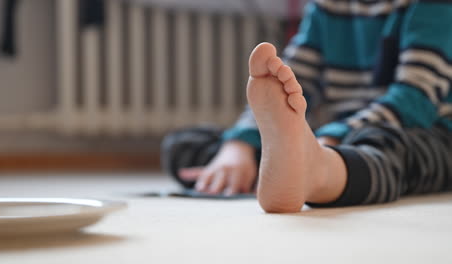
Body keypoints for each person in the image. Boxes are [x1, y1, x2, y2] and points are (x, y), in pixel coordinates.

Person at [162, 0, 452, 212]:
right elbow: (288, 83)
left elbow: (414, 102)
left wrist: (330, 138)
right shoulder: (325, 6)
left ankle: (317, 170)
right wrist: (238, 146)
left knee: (390, 150)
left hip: (423, 131)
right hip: (339, 136)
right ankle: (277, 166)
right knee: (185, 144)